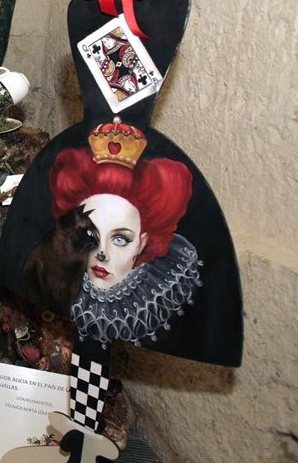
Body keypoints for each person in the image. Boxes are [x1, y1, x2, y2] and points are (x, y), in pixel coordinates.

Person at [46, 122, 198, 349]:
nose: (102, 253)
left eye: (120, 239)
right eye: (89, 233)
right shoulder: (52, 281)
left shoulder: (153, 306)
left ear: (141, 244)